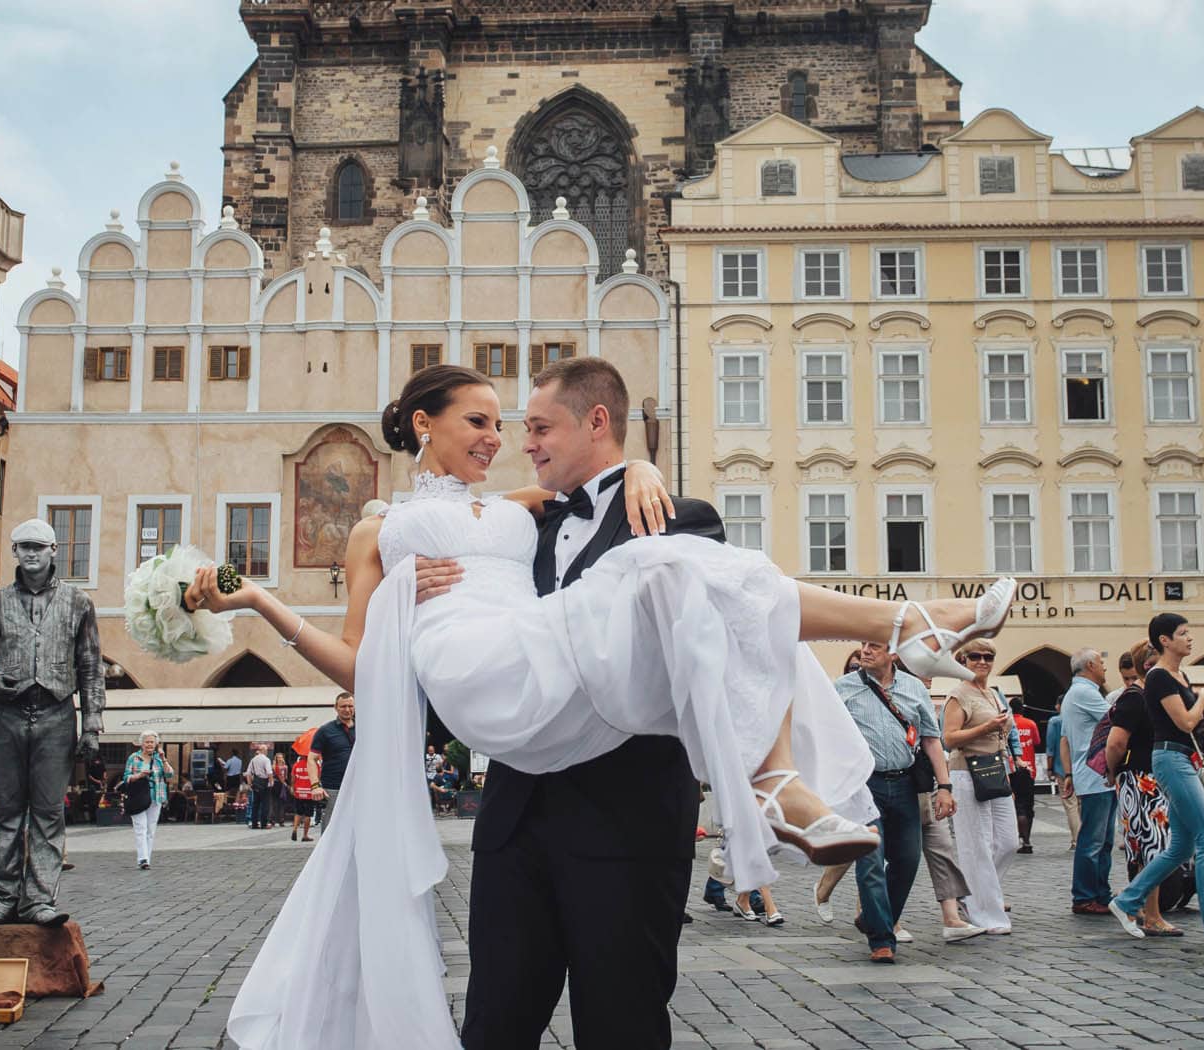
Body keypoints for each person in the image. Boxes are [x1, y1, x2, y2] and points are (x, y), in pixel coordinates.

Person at [214, 361, 1015, 1049]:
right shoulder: (379, 530)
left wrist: (636, 467)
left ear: (593, 424)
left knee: (624, 1027)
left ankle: (817, 732)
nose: (506, 440)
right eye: (485, 422)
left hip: (616, 795)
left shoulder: (555, 509)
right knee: (497, 1026)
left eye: (521, 425)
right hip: (502, 724)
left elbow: (595, 492)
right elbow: (357, 662)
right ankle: (892, 642)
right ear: (424, 425)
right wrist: (265, 601)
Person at [0, 516, 105, 927]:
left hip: (56, 713)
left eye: (38, 547)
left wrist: (92, 725)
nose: (30, 553)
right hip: (6, 715)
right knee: (6, 811)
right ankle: (3, 898)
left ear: (53, 551)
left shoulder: (78, 603)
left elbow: (91, 668)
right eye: (23, 546)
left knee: (48, 812)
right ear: (14, 552)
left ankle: (39, 900)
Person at [1109, 614, 1204, 945]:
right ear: (1164, 641)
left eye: (1189, 632)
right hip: (1171, 760)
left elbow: (1189, 725)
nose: (1190, 638)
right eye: (1182, 634)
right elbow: (1184, 722)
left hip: (1182, 756)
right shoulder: (1158, 677)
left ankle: (1128, 901)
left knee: (1180, 846)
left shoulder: (1179, 675)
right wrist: (1203, 701)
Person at [837, 639, 959, 962]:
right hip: (864, 786)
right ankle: (881, 939)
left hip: (905, 784)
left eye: (874, 646)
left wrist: (944, 785)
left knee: (907, 860)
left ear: (893, 654)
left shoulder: (914, 688)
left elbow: (932, 740)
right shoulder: (842, 689)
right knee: (870, 860)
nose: (865, 651)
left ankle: (875, 917)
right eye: (863, 645)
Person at [1105, 640, 1181, 937]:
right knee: (1154, 847)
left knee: (1141, 846)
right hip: (1143, 779)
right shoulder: (1138, 697)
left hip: (1138, 779)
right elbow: (1116, 742)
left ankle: (1138, 906)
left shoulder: (1140, 696)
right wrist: (1112, 772)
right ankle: (1151, 914)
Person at [944, 639, 1017, 935]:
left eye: (988, 656)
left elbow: (1002, 737)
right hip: (967, 771)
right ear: (963, 660)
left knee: (1008, 841)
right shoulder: (958, 695)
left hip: (995, 771)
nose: (983, 661)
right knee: (977, 845)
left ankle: (972, 895)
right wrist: (984, 728)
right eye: (975, 656)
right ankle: (987, 914)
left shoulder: (992, 694)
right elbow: (949, 738)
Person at [1061, 647, 1115, 914]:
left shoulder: (1078, 693)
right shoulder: (1084, 693)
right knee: (1093, 841)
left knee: (1102, 841)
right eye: (1102, 663)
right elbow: (1117, 719)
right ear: (1091, 665)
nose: (1105, 668)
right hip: (1095, 777)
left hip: (1095, 777)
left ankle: (1100, 893)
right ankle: (1084, 896)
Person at [123, 731, 173, 870]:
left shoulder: (158, 759)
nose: (149, 744)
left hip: (156, 796)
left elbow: (169, 774)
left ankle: (147, 859)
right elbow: (125, 778)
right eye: (147, 742)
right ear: (141, 743)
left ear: (156, 744)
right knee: (140, 828)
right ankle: (142, 859)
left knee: (150, 830)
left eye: (152, 742)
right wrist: (139, 775)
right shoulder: (134, 758)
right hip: (138, 797)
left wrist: (163, 759)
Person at [307, 693, 355, 834]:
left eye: (350, 706)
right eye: (343, 706)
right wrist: (315, 786)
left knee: (358, 829)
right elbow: (311, 758)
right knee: (331, 831)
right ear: (336, 708)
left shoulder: (364, 728)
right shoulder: (325, 730)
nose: (347, 709)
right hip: (333, 788)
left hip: (360, 787)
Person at [1044, 698, 1079, 849]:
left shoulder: (1055, 721)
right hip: (1081, 767)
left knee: (1070, 805)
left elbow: (1050, 747)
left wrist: (1049, 768)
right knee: (1081, 805)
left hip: (1062, 768)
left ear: (1060, 706)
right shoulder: (1078, 718)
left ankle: (1076, 840)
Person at [1009, 698, 1039, 854]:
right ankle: (1027, 839)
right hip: (1029, 769)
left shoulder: (1006, 723)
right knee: (1027, 806)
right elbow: (1037, 741)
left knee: (1017, 806)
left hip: (1012, 768)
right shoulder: (1030, 724)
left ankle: (1020, 838)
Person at [290, 744, 316, 842]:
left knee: (298, 812)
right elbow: (317, 777)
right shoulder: (314, 765)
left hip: (298, 792)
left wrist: (292, 787)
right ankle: (305, 835)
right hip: (309, 792)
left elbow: (293, 777)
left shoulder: (296, 765)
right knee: (308, 815)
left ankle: (295, 829)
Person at [247, 744, 274, 829]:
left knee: (255, 804)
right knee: (265, 804)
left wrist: (250, 784)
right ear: (264, 750)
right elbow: (269, 772)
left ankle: (254, 823)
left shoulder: (253, 760)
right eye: (266, 750)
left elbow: (248, 773)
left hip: (256, 783)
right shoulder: (266, 760)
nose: (267, 752)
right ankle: (264, 824)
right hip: (264, 783)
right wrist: (271, 782)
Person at [270, 753, 290, 828]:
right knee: (274, 803)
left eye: (281, 757)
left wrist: (285, 782)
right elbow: (271, 775)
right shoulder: (274, 766)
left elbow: (286, 776)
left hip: (282, 785)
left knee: (282, 803)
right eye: (278, 757)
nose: (280, 759)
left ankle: (281, 820)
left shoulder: (285, 767)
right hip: (275, 784)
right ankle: (272, 820)